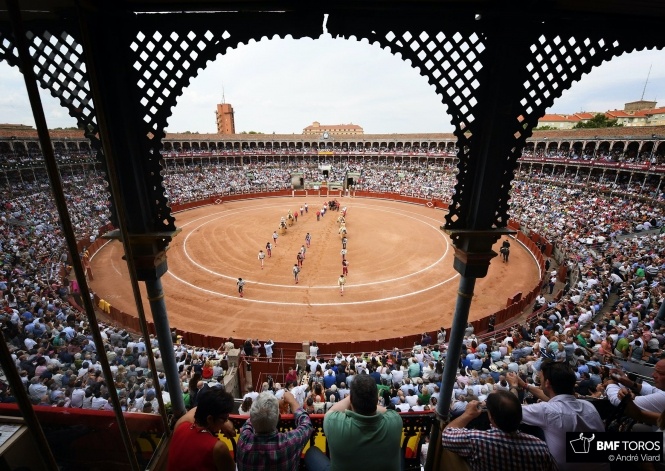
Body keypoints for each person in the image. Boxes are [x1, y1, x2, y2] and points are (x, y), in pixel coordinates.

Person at [507, 361, 608, 471]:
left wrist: (514, 386)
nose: (540, 382)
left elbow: (511, 409)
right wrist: (525, 385)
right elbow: (555, 401)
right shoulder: (589, 406)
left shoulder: (546, 411)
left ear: (547, 383)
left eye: (541, 379)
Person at [304, 373, 403, 471]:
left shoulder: (333, 422)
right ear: (377, 399)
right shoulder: (395, 420)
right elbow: (386, 411)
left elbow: (332, 411)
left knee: (311, 452)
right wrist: (368, 399)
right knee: (399, 449)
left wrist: (352, 397)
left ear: (351, 400)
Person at [441, 390, 556, 471]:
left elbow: (446, 435)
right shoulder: (540, 447)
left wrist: (468, 414)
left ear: (491, 417)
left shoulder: (477, 440)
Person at [237, 391, 313, 471]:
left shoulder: (243, 440)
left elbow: (253, 418)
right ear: (279, 418)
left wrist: (273, 405)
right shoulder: (289, 442)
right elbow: (307, 424)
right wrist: (292, 401)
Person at [167, 388, 236, 471]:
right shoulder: (218, 448)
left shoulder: (181, 425)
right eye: (224, 419)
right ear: (209, 419)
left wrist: (223, 420)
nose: (225, 422)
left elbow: (198, 408)